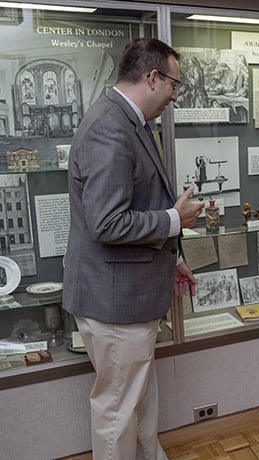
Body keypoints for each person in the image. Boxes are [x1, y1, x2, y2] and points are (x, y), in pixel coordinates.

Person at [62, 38, 205, 460]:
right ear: (152, 77)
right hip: (114, 302)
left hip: (128, 295)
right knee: (117, 411)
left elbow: (133, 207)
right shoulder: (110, 127)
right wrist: (175, 221)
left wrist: (172, 258)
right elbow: (107, 222)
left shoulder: (130, 121)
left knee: (138, 400)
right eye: (173, 84)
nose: (175, 96)